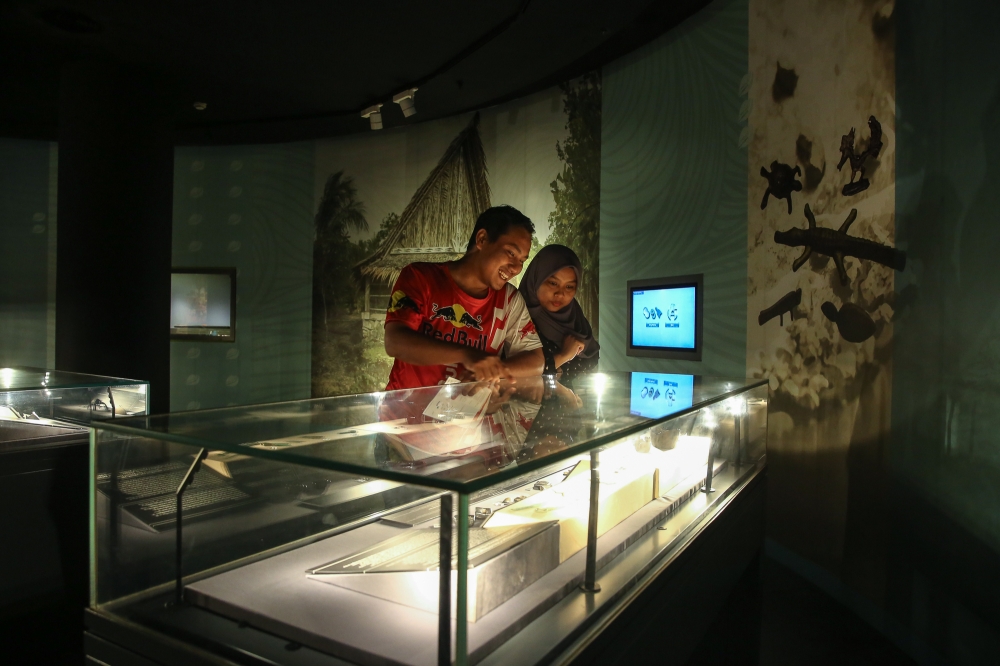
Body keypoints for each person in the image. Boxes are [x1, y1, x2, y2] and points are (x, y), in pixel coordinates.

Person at [383, 205, 544, 391]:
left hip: (466, 418)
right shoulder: (420, 277)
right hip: (404, 415)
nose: (516, 268)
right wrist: (467, 355)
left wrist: (494, 370)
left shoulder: (509, 300)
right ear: (482, 239)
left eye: (522, 261)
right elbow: (395, 342)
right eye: (511, 253)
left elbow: (537, 361)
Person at [518, 244, 600, 378]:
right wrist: (564, 356)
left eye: (569, 286)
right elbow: (512, 373)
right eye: (553, 283)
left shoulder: (574, 316)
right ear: (536, 278)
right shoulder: (516, 315)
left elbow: (591, 358)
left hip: (570, 397)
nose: (560, 294)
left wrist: (557, 367)